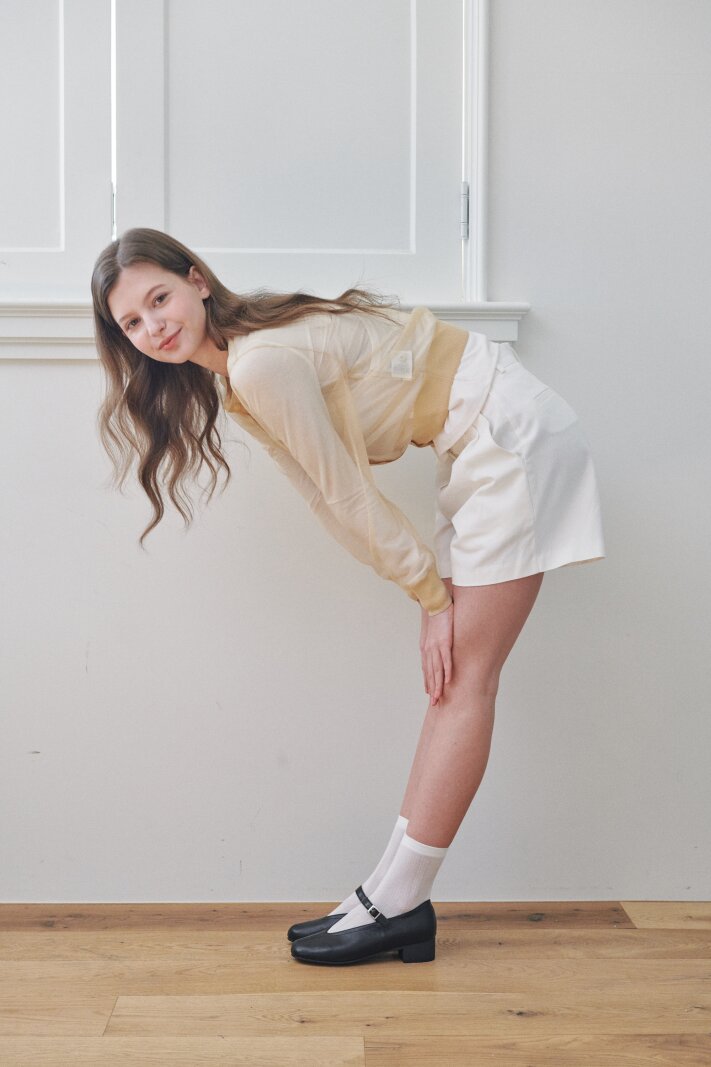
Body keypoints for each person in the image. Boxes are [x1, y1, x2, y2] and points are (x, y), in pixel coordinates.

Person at [91, 226, 606, 966]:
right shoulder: (244, 367)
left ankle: (400, 904)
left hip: (506, 433)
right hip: (477, 437)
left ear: (197, 279)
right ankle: (385, 894)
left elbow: (344, 493)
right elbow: (325, 497)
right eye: (132, 322)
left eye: (159, 298)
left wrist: (432, 598)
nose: (154, 326)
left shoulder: (260, 361)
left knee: (464, 678)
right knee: (451, 682)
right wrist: (426, 593)